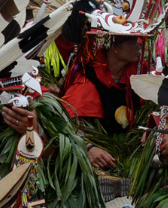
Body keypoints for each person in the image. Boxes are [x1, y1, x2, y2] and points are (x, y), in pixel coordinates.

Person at [61, 34, 147, 170]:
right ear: (115, 48)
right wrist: (88, 147)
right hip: (96, 160)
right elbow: (65, 123)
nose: (139, 46)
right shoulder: (87, 81)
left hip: (129, 154)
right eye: (132, 42)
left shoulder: (142, 76)